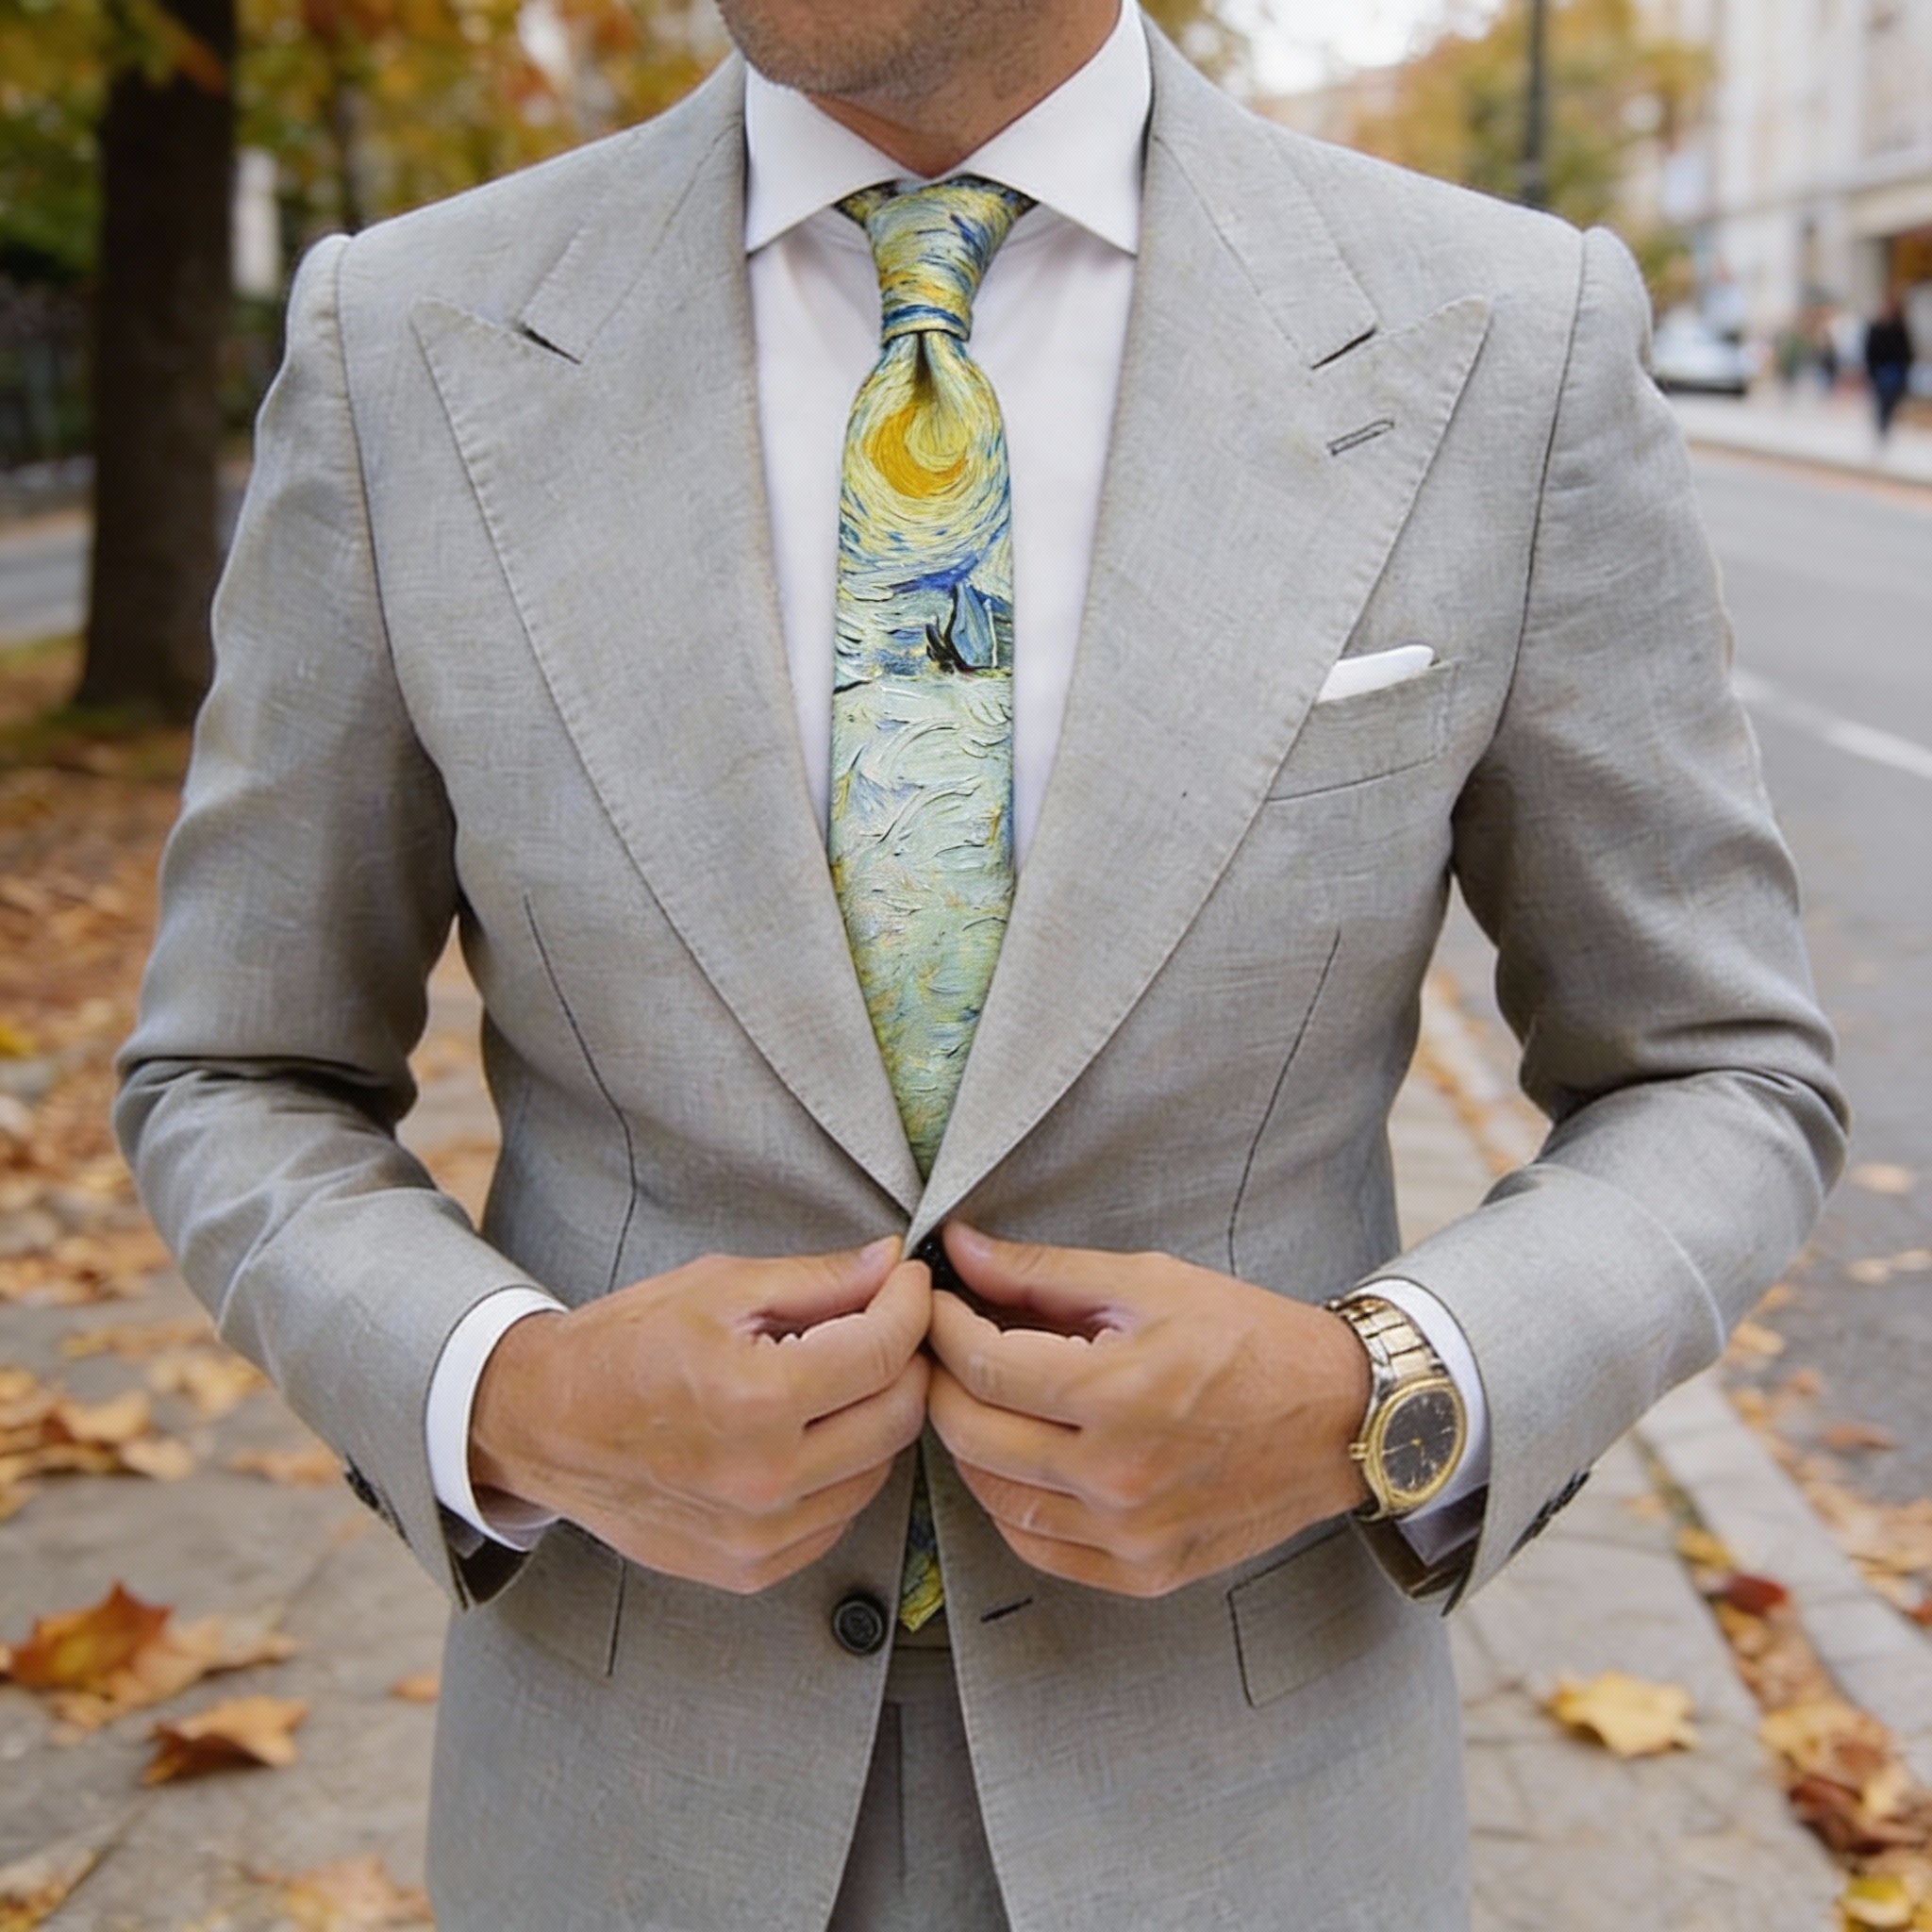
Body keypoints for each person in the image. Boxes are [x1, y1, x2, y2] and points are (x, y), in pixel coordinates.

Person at [116, 2, 1846, 1926]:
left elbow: (1715, 1068)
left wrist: (1383, 1395)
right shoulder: (407, 342)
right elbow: (235, 1066)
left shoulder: (1501, 338)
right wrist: (506, 1396)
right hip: (624, 1808)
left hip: (1248, 1807)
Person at [1866, 293, 1916, 439]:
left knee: (1890, 401)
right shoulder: (1876, 327)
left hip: (1895, 371)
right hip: (1881, 371)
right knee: (1882, 400)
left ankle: (1884, 428)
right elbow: (1870, 351)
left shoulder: (1899, 327)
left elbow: (1906, 351)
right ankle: (1882, 429)